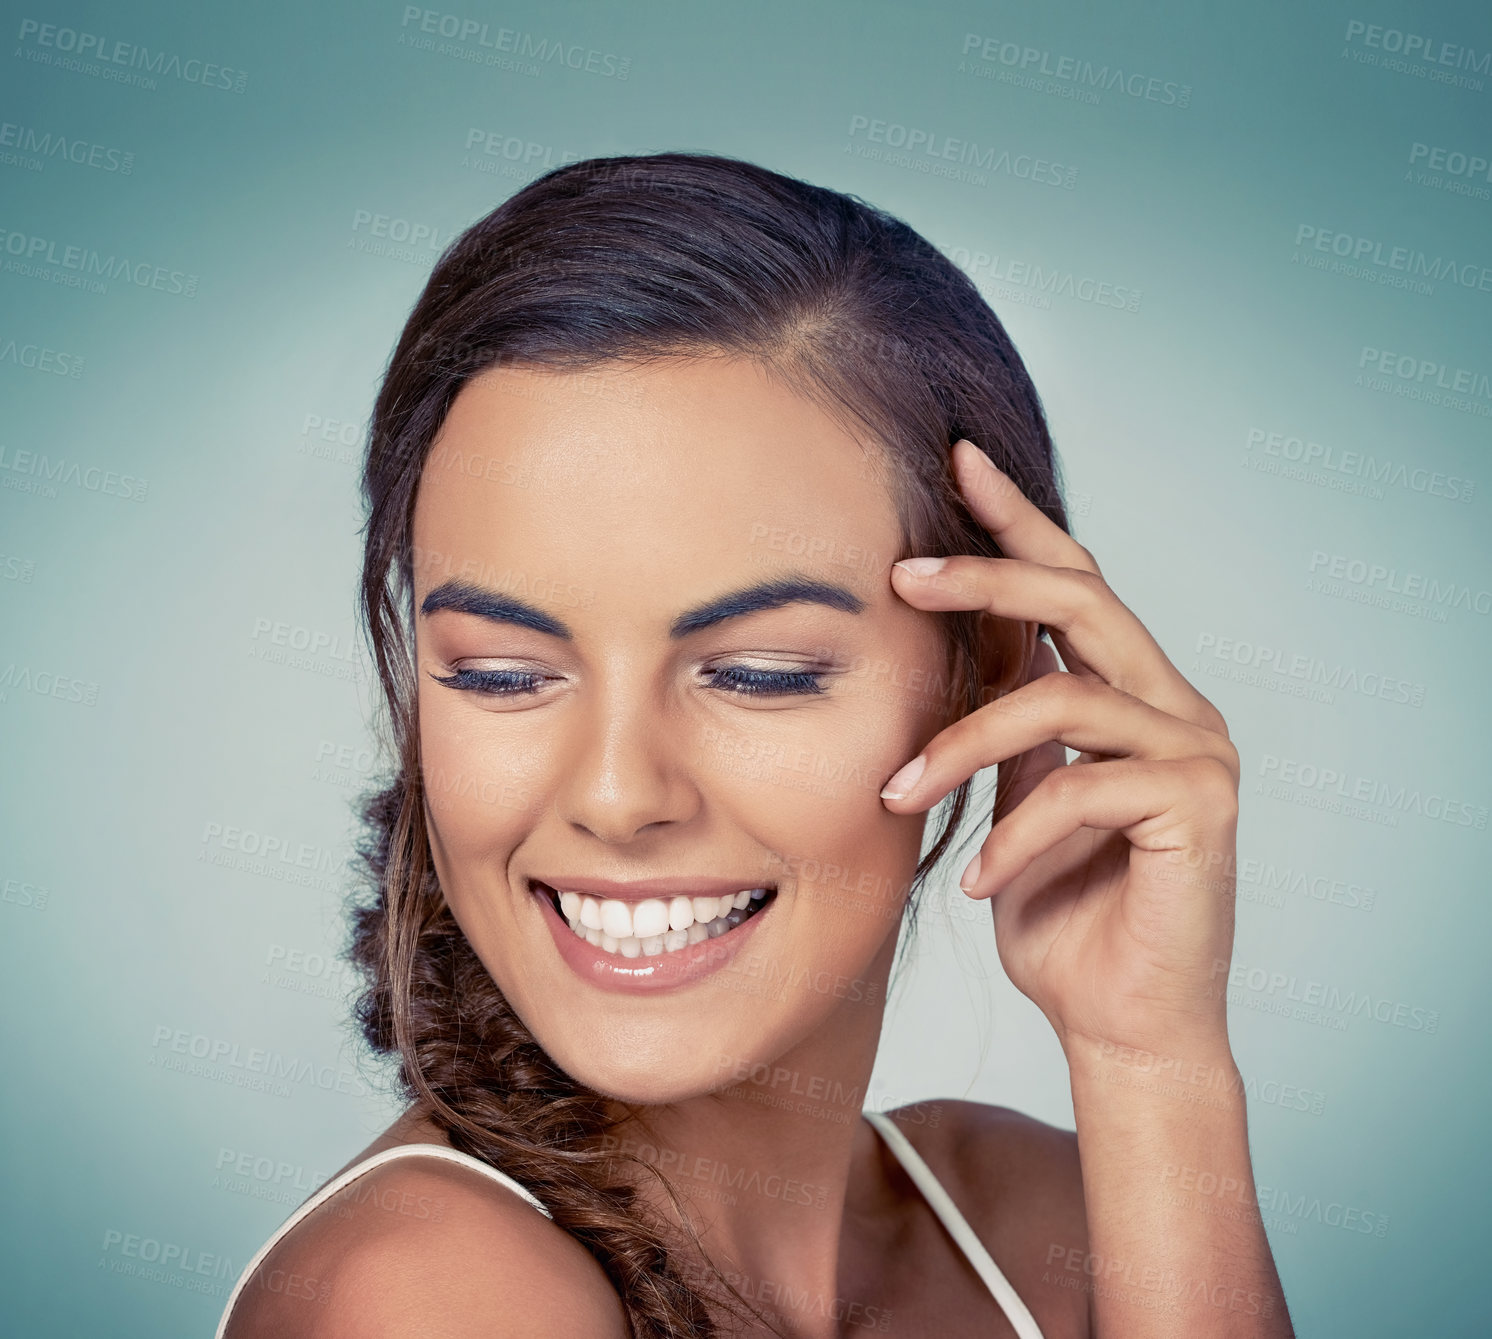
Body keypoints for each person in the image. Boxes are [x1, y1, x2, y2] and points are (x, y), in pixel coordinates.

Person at [217, 152, 1293, 1337]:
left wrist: (1151, 1057)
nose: (618, 794)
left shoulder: (1045, 1225)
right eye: (504, 674)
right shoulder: (435, 1296)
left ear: (979, 672)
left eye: (755, 674)